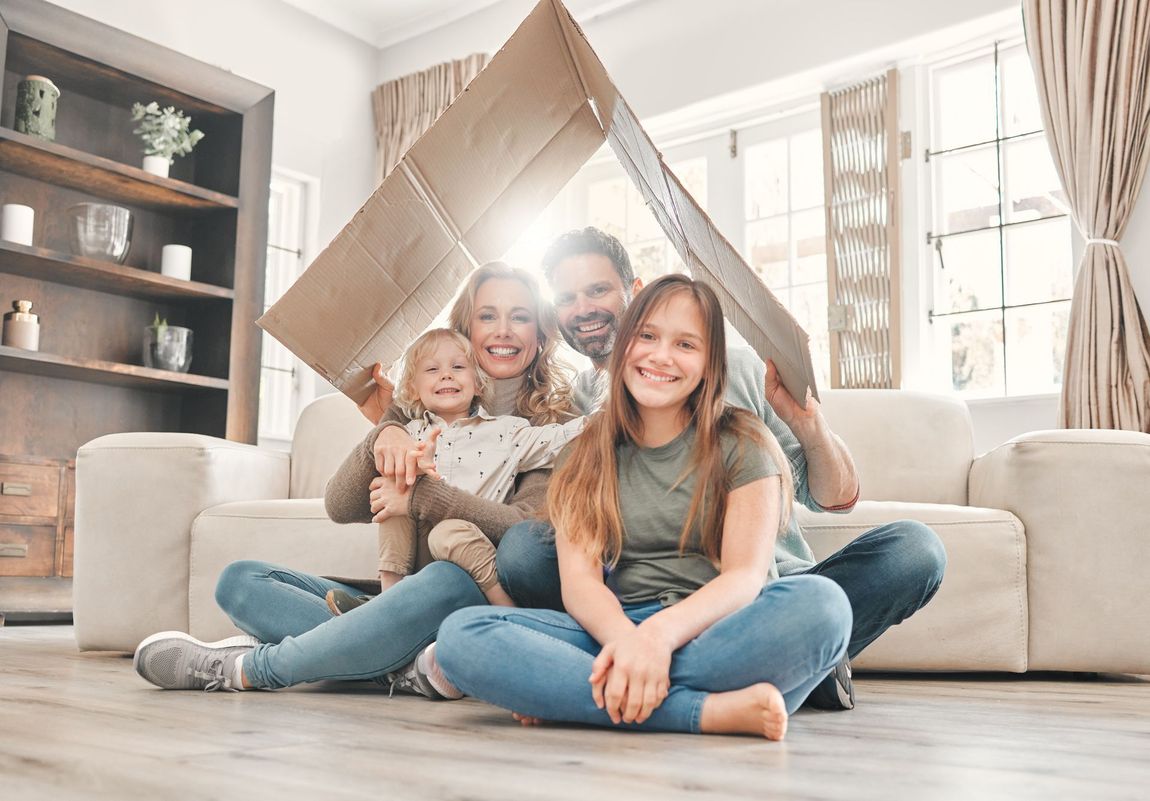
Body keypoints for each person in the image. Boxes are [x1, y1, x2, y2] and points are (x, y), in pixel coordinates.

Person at [495, 227, 947, 711]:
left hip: (758, 591)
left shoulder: (739, 370)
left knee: (913, 551)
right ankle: (781, 671)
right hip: (635, 601)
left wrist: (809, 426)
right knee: (522, 551)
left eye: (598, 290)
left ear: (636, 290)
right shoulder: (577, 405)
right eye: (567, 297)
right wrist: (398, 422)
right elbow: (467, 396)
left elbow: (836, 497)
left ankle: (633, 679)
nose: (583, 308)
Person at [133, 263, 578, 699]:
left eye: (519, 317)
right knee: (241, 581)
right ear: (465, 329)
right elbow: (340, 505)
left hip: (466, 589)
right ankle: (402, 666)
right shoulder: (417, 409)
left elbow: (524, 526)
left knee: (446, 574)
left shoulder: (550, 428)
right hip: (399, 596)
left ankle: (251, 669)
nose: (503, 330)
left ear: (539, 336)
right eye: (487, 316)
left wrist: (421, 497)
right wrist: (386, 431)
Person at [436, 274, 852, 738]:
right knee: (461, 637)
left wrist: (657, 640)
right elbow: (579, 584)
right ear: (625, 345)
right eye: (648, 336)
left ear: (710, 362)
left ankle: (576, 698)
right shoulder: (584, 451)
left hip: (716, 629)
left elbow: (744, 577)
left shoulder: (743, 442)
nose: (660, 356)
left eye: (685, 344)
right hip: (615, 630)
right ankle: (707, 712)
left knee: (826, 606)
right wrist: (629, 643)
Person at [365, 327, 585, 606]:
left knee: (447, 532)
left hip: (472, 551)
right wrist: (412, 470)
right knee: (392, 497)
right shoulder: (405, 434)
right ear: (412, 389)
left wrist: (607, 416)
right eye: (432, 369)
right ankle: (388, 602)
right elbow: (371, 483)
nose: (446, 374)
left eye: (458, 367)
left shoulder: (507, 432)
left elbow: (558, 440)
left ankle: (505, 608)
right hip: (420, 554)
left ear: (478, 383)